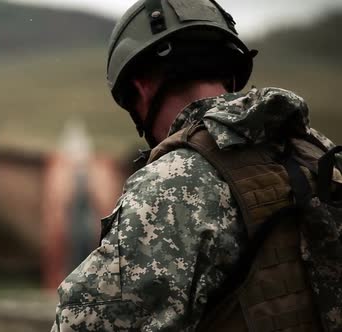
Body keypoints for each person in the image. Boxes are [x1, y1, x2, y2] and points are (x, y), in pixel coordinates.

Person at [51, 0, 341, 331]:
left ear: (141, 87)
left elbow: (82, 324)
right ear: (230, 71)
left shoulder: (173, 183)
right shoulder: (320, 153)